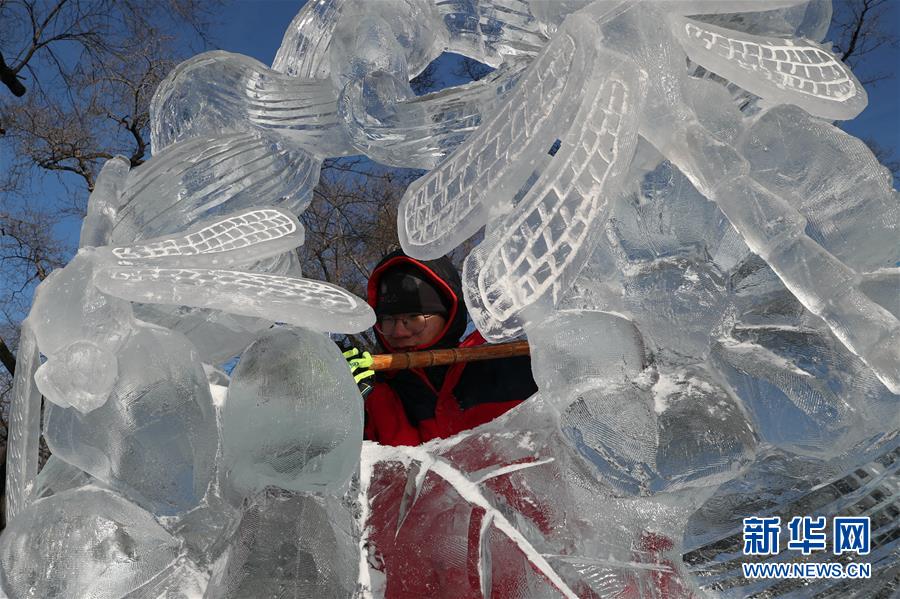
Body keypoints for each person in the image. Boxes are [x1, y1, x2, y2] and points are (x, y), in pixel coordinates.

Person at [345, 250, 537, 446]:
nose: (399, 332)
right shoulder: (374, 389)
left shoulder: (513, 366)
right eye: (388, 320)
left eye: (414, 317)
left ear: (448, 316)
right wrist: (345, 403)